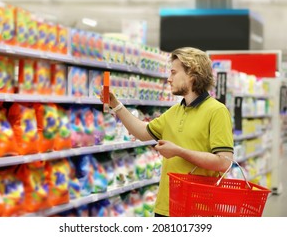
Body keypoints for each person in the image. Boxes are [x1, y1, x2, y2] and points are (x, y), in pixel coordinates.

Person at [100, 47, 234, 217]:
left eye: (173, 73)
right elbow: (142, 132)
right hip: (165, 207)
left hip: (197, 211)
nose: (169, 79)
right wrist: (116, 105)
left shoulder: (217, 111)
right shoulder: (174, 111)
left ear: (192, 74)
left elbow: (225, 163)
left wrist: (179, 151)